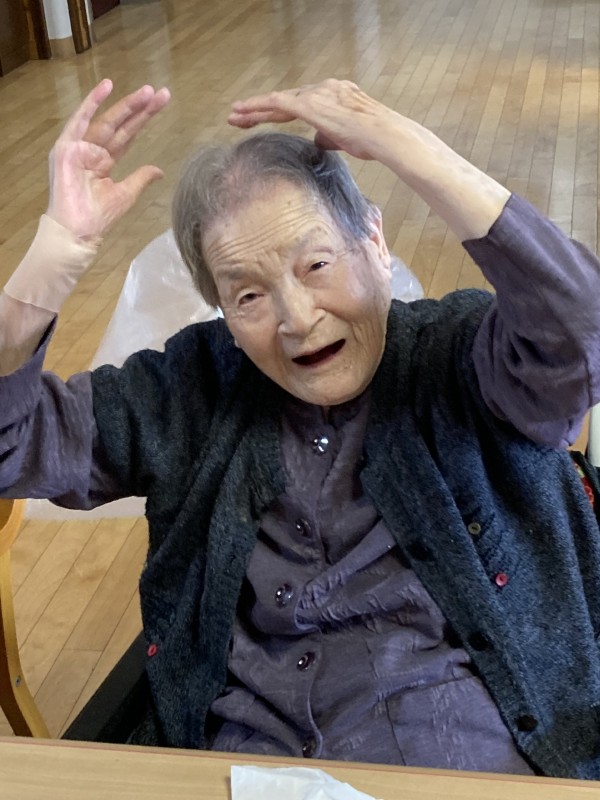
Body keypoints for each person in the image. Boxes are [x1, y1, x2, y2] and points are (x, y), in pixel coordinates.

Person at [1, 77, 600, 779]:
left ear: (374, 241)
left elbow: (579, 331)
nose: (296, 318)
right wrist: (53, 256)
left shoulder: (462, 358)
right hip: (246, 774)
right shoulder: (188, 389)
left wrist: (410, 147)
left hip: (465, 770)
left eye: (316, 265)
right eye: (248, 295)